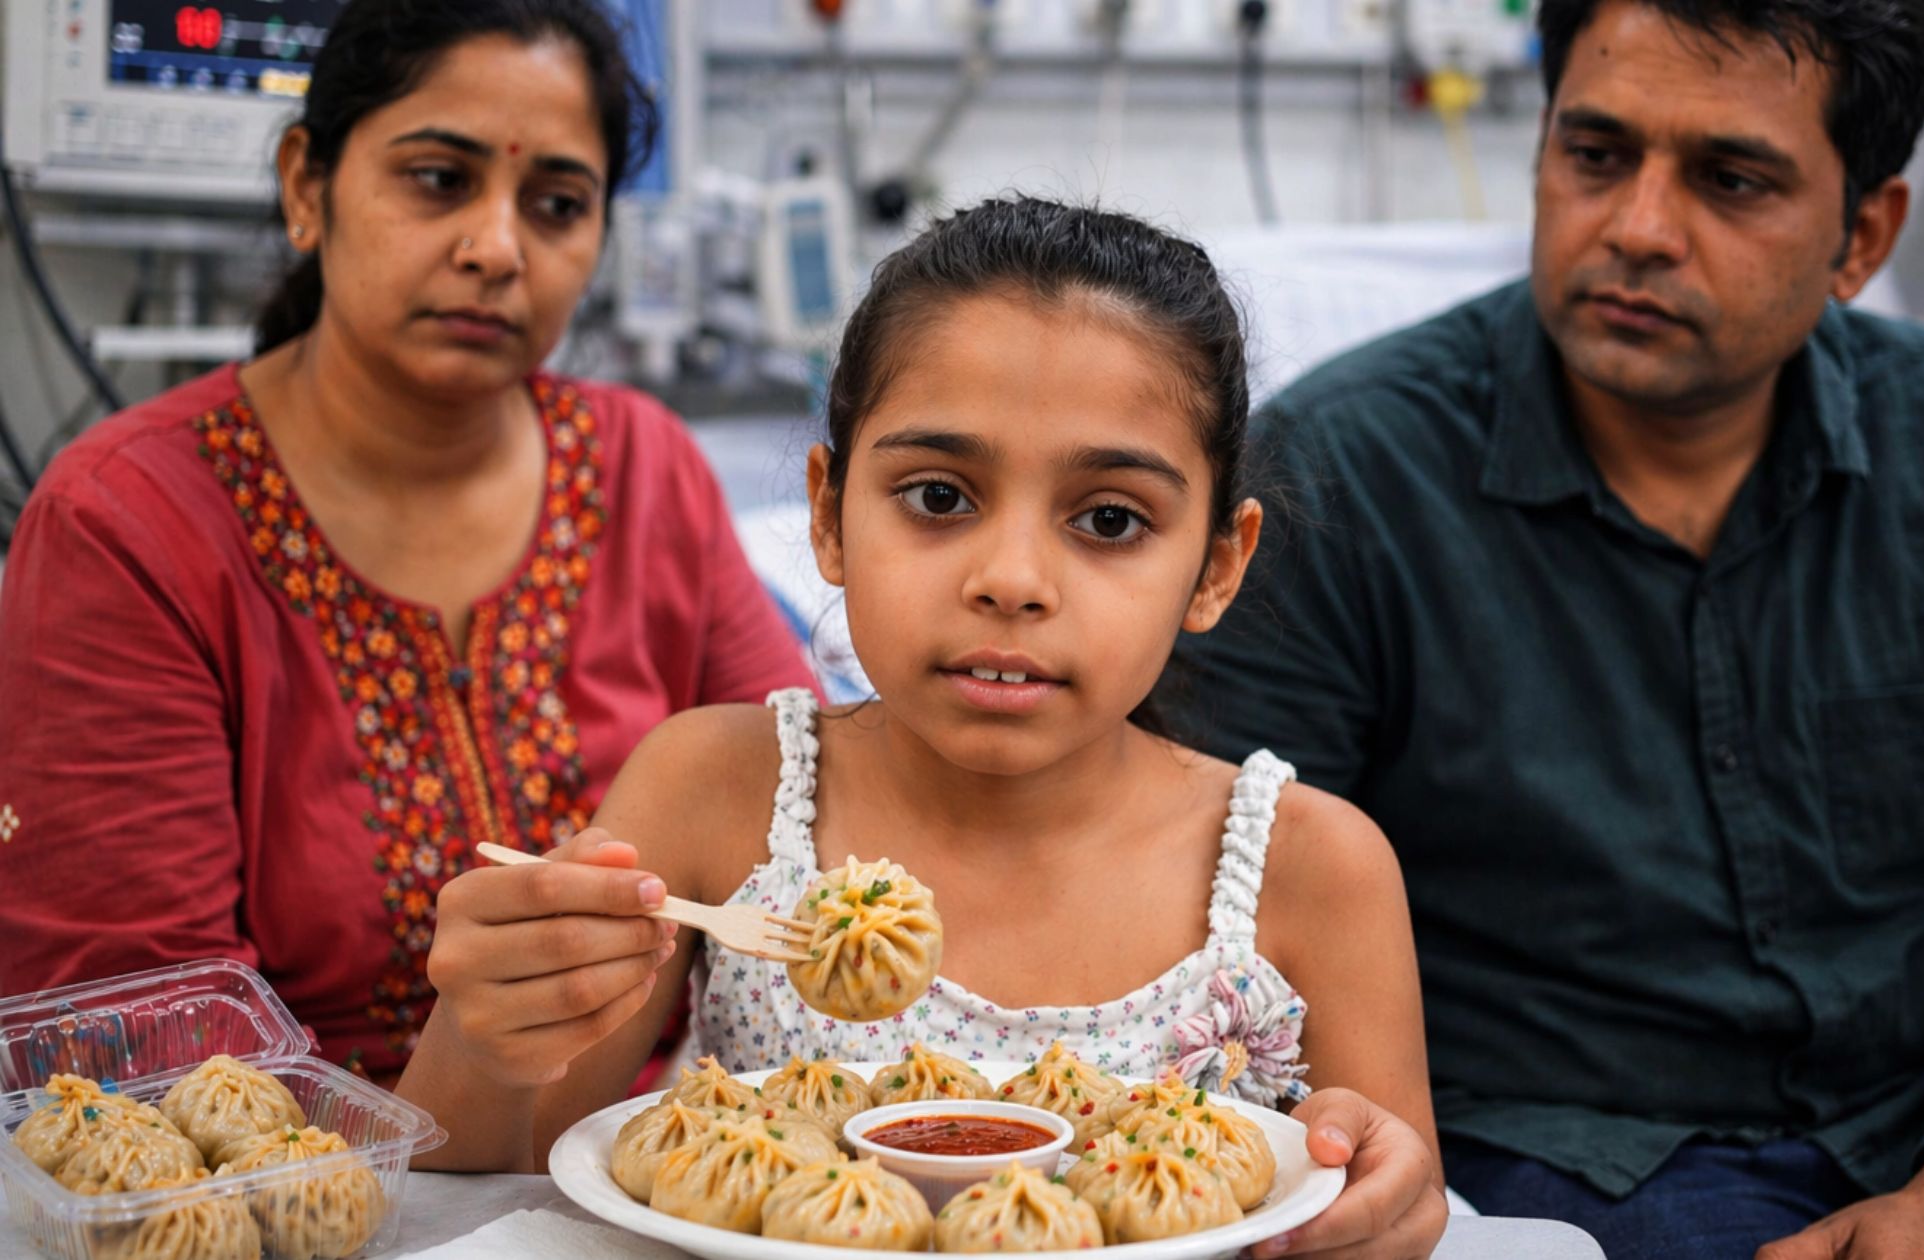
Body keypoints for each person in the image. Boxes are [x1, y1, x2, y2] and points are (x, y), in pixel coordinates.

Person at [1173, 1, 1924, 1258]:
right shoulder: (1341, 479)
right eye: (1595, 153)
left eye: (1730, 180)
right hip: (1564, 1159)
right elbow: (1222, 954)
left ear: (1863, 235)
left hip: (1923, 1122)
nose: (1635, 229)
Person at [395, 196, 1450, 1259]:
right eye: (939, 497)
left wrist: (1382, 1196)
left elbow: (1386, 1197)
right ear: (828, 514)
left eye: (1109, 521)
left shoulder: (1313, 869)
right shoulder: (716, 790)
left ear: (1217, 564)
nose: (1010, 581)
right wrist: (488, 1026)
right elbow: (472, 1192)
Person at [0, 0, 815, 1086]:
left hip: (634, 1180)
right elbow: (145, 1042)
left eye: (557, 204)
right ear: (306, 186)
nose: (494, 248)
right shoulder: (128, 526)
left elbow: (805, 829)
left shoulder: (642, 471)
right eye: (438, 179)